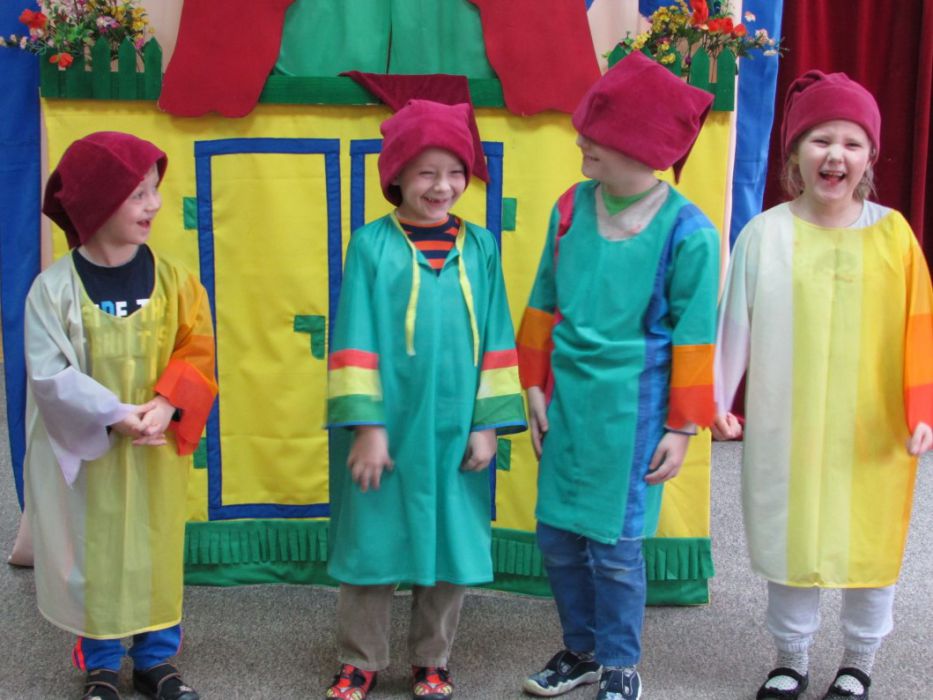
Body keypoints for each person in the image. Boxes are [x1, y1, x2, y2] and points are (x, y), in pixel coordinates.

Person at [713, 70, 933, 700]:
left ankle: (859, 660)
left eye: (851, 143)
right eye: (820, 140)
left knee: (870, 540)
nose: (835, 154)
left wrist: (921, 407)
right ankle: (791, 657)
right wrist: (718, 398)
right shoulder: (765, 235)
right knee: (792, 534)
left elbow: (919, 325)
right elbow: (733, 324)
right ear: (794, 154)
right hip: (789, 422)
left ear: (869, 158)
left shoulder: (894, 236)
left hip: (874, 425)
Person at [516, 51, 720, 700]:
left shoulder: (689, 233)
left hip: (633, 415)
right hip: (567, 404)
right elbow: (542, 301)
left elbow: (695, 339)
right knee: (556, 537)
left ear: (640, 145)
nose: (580, 142)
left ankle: (619, 663)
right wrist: (531, 386)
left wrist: (681, 428)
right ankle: (579, 650)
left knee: (615, 547)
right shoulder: (569, 208)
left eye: (594, 135)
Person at [324, 99, 526, 700]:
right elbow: (355, 335)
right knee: (371, 542)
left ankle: (432, 659)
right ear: (396, 176)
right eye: (426, 173)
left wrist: (486, 424)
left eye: (455, 172)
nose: (443, 187)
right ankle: (360, 658)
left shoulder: (480, 247)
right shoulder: (370, 246)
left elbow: (497, 334)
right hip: (389, 426)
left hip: (456, 425)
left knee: (450, 545)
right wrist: (368, 427)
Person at [25, 131, 217, 700]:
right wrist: (111, 414)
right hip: (93, 451)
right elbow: (49, 373)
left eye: (154, 190)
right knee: (97, 550)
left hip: (156, 446)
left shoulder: (176, 281)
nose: (154, 203)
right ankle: (102, 663)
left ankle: (156, 659)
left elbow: (197, 348)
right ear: (98, 202)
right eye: (138, 194)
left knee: (156, 544)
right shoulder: (54, 290)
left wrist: (167, 403)